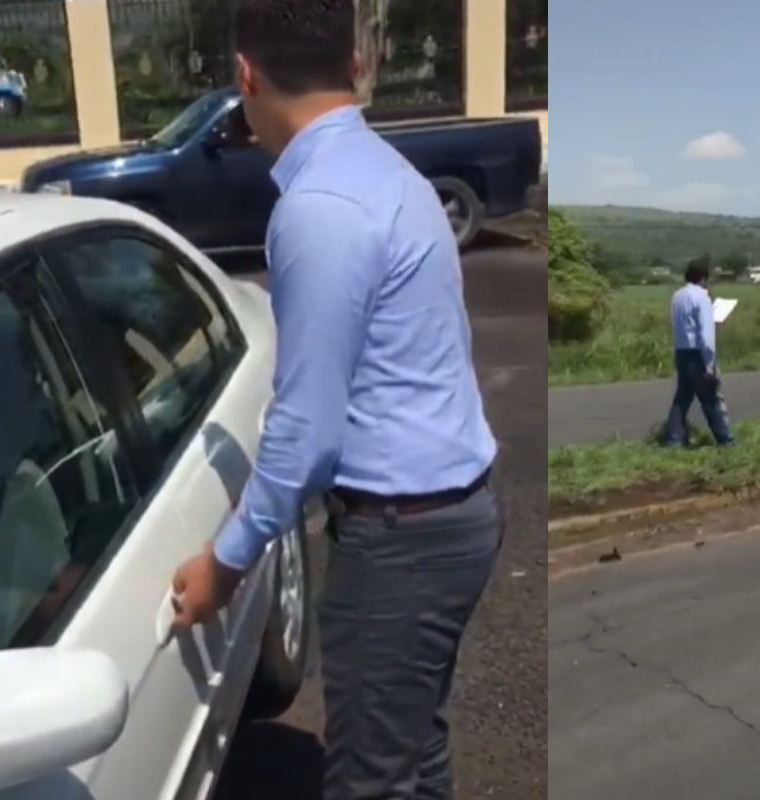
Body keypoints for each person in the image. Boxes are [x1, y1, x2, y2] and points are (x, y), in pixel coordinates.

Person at [168, 0, 503, 796]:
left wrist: (226, 562)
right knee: (414, 753)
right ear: (352, 64)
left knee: (367, 781)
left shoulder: (319, 208)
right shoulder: (387, 171)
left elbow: (308, 429)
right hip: (452, 514)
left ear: (246, 76)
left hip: (404, 542)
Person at [663, 262, 734, 447]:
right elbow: (705, 333)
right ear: (703, 278)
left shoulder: (677, 296)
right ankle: (725, 440)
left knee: (682, 398)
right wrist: (709, 363)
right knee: (711, 399)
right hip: (698, 354)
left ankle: (674, 440)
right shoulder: (702, 297)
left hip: (681, 351)